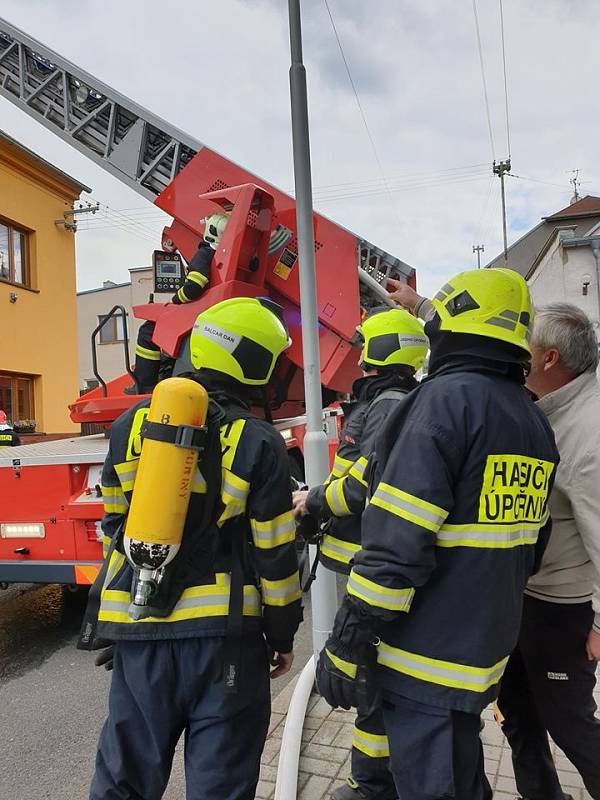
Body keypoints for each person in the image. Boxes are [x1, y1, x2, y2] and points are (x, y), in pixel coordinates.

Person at [316, 268, 559, 800]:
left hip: (426, 654)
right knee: (461, 772)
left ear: (447, 332)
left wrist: (348, 636)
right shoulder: (533, 420)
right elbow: (532, 549)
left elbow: (396, 542)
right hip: (483, 647)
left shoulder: (442, 404)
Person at [84, 296, 303, 800]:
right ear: (254, 363)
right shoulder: (258, 441)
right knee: (220, 785)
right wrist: (282, 633)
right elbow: (275, 555)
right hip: (225, 642)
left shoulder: (129, 429)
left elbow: (113, 526)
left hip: (140, 634)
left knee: (125, 779)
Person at [293, 307, 428, 800]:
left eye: (365, 346)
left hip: (367, 566)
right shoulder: (397, 400)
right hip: (372, 562)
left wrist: (311, 501)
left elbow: (360, 484)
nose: (358, 357)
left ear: (381, 349)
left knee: (372, 681)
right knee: (375, 681)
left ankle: (371, 787)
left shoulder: (386, 405)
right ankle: (372, 782)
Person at [496, 303, 600, 800]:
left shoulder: (589, 434)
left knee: (571, 724)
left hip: (563, 612)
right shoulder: (549, 405)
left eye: (526, 344)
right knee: (517, 713)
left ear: (550, 358)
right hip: (527, 600)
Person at [126, 213, 229, 394]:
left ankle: (144, 387)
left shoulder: (206, 253)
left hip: (199, 316)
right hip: (216, 315)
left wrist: (175, 301)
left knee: (148, 331)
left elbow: (194, 287)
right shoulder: (229, 255)